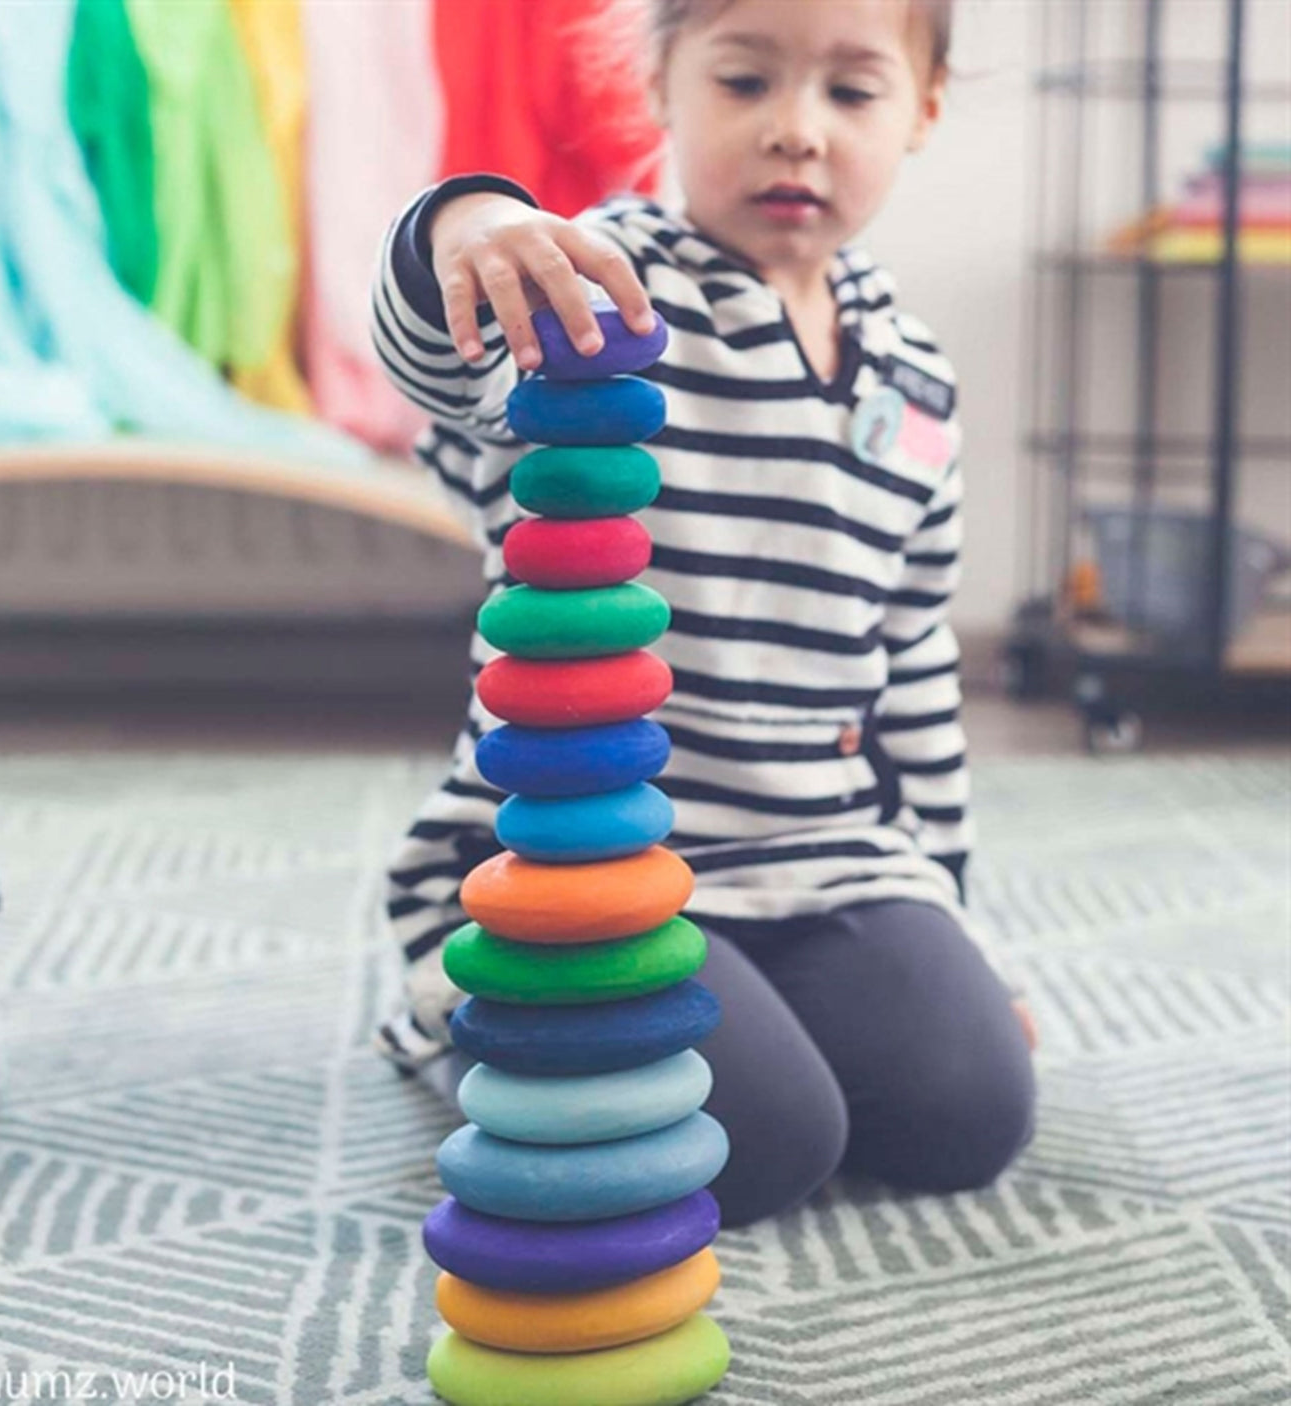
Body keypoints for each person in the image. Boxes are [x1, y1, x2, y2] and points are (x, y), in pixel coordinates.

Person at [370, 0, 1036, 1228]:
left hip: (821, 854)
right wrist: (465, 221)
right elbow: (439, 369)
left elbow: (913, 660)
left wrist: (945, 903)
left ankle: (783, 997)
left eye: (850, 92)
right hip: (580, 861)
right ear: (659, 83)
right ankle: (456, 1002)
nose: (795, 131)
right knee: (768, 1143)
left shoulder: (915, 373)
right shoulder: (597, 298)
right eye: (743, 81)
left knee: (967, 1113)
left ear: (924, 106)